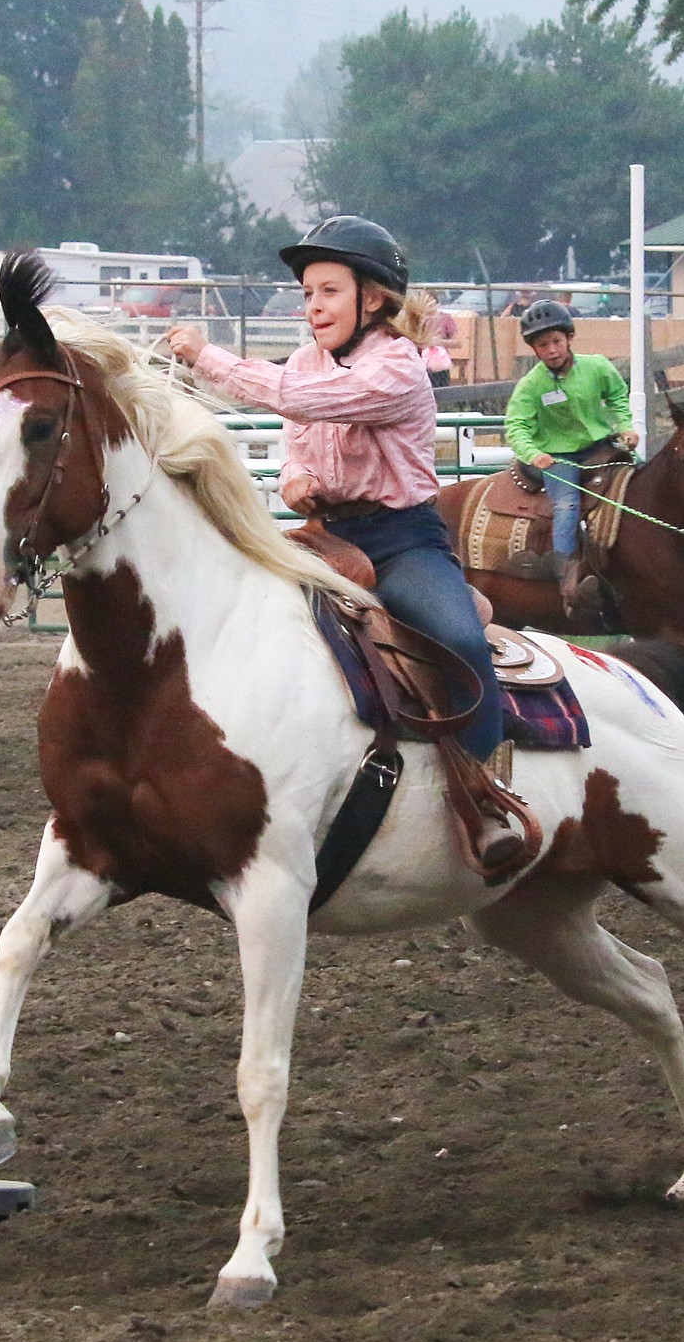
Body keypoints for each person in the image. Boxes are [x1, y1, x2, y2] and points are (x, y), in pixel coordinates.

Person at [166, 214, 523, 870]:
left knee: (462, 639)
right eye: (308, 294)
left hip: (401, 540)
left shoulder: (396, 366)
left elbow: (300, 401)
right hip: (327, 534)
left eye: (329, 291)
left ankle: (483, 796)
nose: (314, 306)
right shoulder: (307, 363)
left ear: (374, 298)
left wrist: (205, 356)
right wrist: (298, 481)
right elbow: (297, 448)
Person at [503, 298, 638, 613]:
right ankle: (566, 576)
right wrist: (533, 454)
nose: (551, 350)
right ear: (533, 349)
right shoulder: (530, 385)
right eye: (542, 345)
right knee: (566, 504)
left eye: (555, 341)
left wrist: (626, 427)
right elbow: (516, 426)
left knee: (638, 480)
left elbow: (618, 396)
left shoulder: (597, 367)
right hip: (557, 456)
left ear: (569, 338)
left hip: (600, 445)